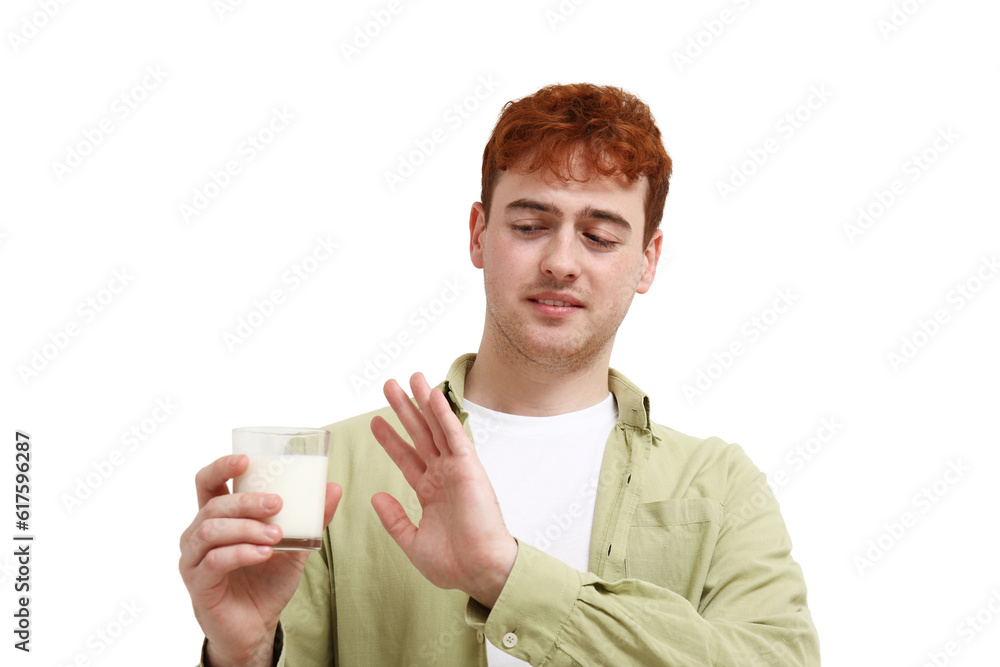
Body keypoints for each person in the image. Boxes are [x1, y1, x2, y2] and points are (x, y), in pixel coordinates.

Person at [179, 82, 820, 666]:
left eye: (600, 236)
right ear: (479, 234)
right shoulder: (333, 469)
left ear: (648, 261)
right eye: (529, 225)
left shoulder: (722, 487)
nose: (561, 261)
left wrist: (505, 576)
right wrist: (243, 654)